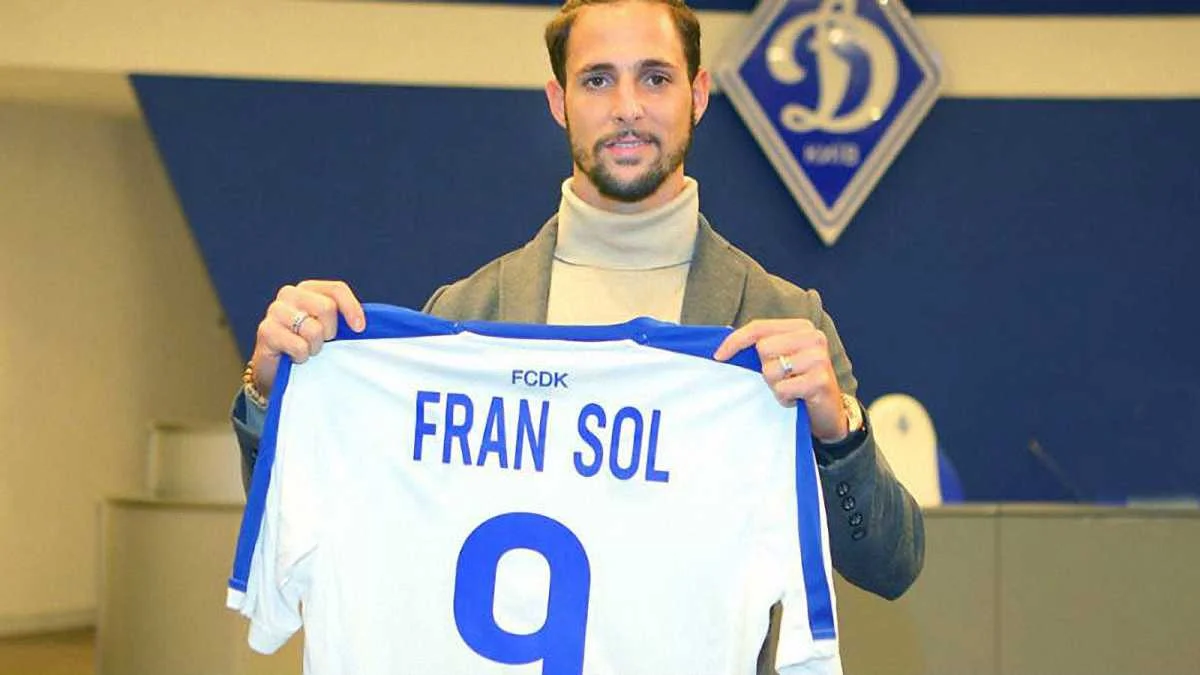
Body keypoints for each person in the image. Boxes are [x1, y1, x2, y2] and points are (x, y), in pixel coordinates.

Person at [231, 0, 923, 669]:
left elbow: (890, 562)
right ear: (559, 101)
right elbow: (337, 516)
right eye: (597, 80)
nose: (627, 106)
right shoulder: (466, 313)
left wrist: (838, 433)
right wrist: (271, 391)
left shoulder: (778, 319)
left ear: (698, 94)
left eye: (655, 77)